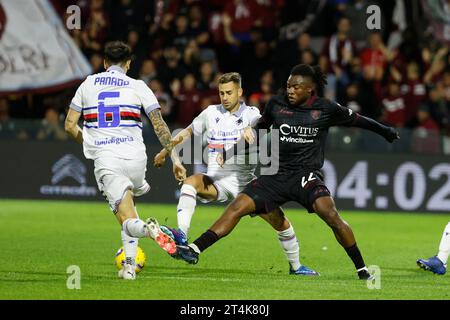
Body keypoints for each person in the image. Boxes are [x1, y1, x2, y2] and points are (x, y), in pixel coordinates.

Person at [175, 64, 400, 280]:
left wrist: (385, 131)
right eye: (289, 86)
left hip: (306, 176)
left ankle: (361, 267)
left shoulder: (325, 108)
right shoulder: (277, 105)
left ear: (309, 89)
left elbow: (360, 121)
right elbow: (257, 131)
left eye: (296, 87)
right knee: (237, 207)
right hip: (276, 175)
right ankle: (194, 248)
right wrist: (230, 150)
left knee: (330, 214)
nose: (290, 91)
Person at [153, 72, 319, 276]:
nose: (225, 97)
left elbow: (268, 124)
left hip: (246, 185)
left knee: (279, 221)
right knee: (190, 183)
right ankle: (182, 236)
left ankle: (296, 266)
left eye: (229, 92)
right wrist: (164, 151)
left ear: (239, 92)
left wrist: (253, 128)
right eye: (221, 92)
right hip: (217, 181)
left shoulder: (250, 113)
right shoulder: (210, 113)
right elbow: (187, 132)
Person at [64, 41, 180, 280]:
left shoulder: (88, 83)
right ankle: (129, 268)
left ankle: (150, 230)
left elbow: (69, 125)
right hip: (137, 157)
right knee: (129, 208)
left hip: (108, 159)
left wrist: (89, 143)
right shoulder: (138, 85)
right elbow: (160, 125)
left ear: (104, 63)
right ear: (128, 64)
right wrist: (175, 158)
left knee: (128, 219)